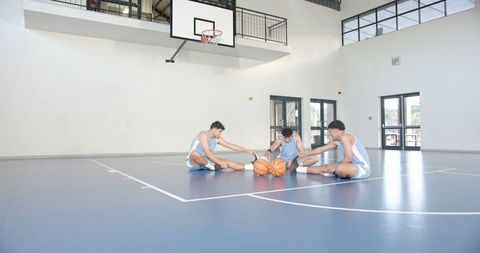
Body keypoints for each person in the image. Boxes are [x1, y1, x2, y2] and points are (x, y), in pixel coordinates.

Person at [294, 120, 371, 179]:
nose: (329, 134)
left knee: (339, 168)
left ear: (336, 131)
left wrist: (336, 167)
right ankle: (299, 169)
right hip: (350, 165)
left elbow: (349, 158)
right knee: (325, 167)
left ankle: (337, 172)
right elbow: (321, 149)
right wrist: (304, 154)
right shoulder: (338, 141)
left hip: (362, 168)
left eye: (330, 132)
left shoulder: (345, 137)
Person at [186, 121, 257, 171]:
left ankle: (250, 167)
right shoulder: (203, 134)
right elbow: (207, 152)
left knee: (226, 162)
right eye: (219, 131)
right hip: (194, 163)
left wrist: (247, 150)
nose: (220, 134)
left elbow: (231, 145)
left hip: (206, 161)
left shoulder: (217, 139)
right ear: (214, 129)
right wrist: (219, 163)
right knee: (195, 153)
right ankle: (211, 167)